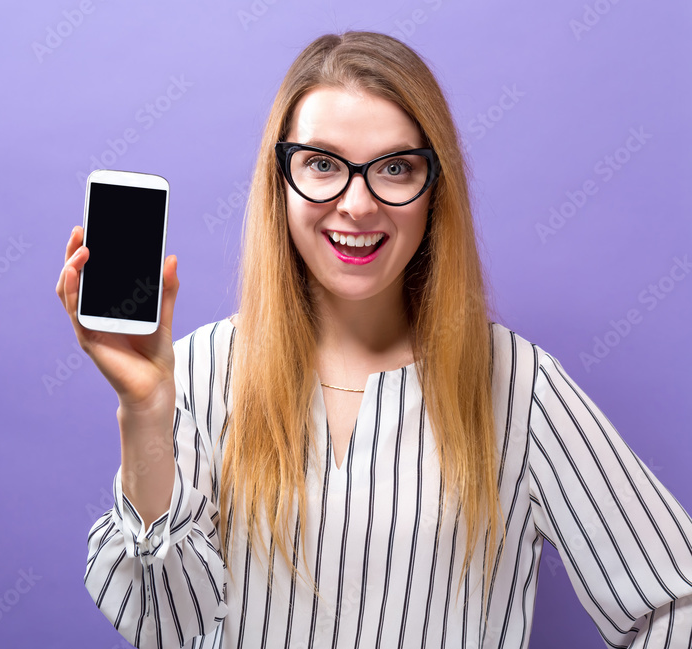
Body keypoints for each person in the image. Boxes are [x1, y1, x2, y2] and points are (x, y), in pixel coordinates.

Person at [56, 31, 692, 648]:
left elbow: (676, 605)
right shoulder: (195, 371)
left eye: (394, 167)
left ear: (434, 188)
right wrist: (144, 412)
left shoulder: (516, 384)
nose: (357, 206)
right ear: (280, 181)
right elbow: (162, 625)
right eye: (323, 164)